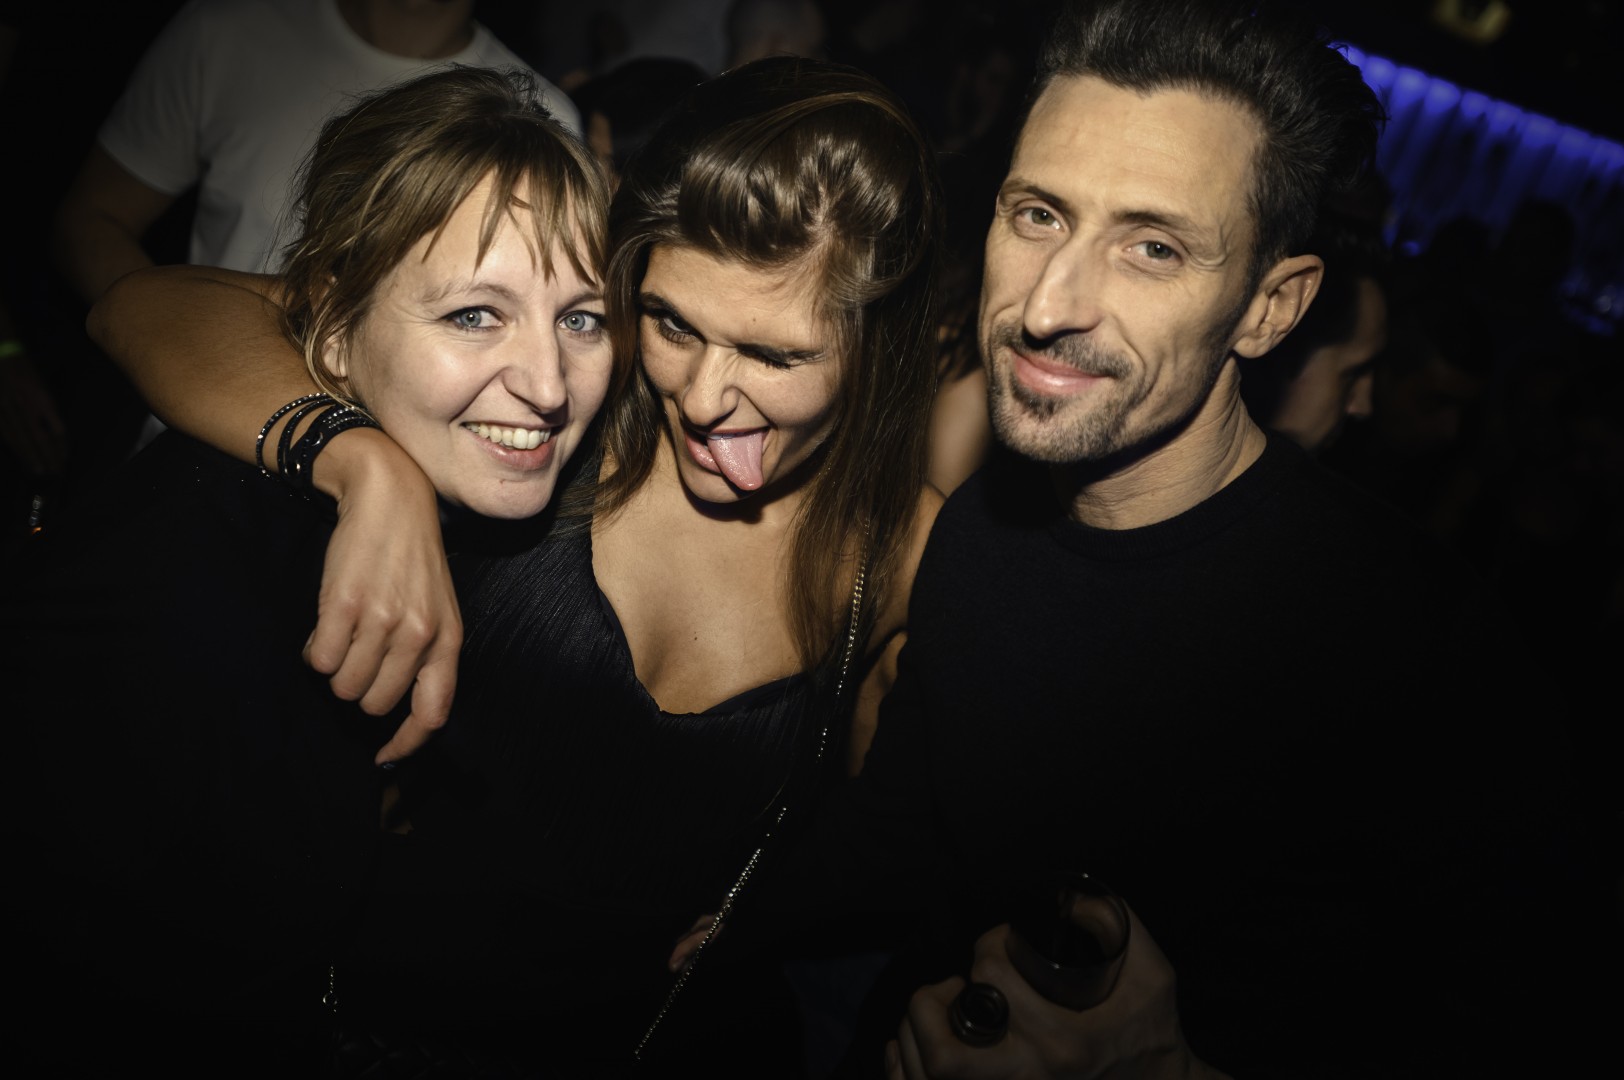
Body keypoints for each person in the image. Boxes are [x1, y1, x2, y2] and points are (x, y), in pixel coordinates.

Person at [709, 2, 1584, 1076]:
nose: (1047, 306)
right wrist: (697, 923)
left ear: (1269, 309)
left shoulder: (1423, 652)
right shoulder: (982, 528)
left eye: (1153, 248)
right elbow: (898, 832)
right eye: (1038, 215)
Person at [89, 56, 945, 1074]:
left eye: (773, 355)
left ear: (879, 343)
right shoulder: (562, 407)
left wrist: (780, 909)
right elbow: (151, 302)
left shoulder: (906, 558)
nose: (704, 395)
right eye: (672, 322)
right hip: (352, 1028)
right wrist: (366, 467)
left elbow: (917, 823)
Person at [0, 65, 610, 1076]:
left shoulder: (495, 507)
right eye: (474, 314)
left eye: (582, 318)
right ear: (332, 330)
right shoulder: (187, 571)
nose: (548, 385)